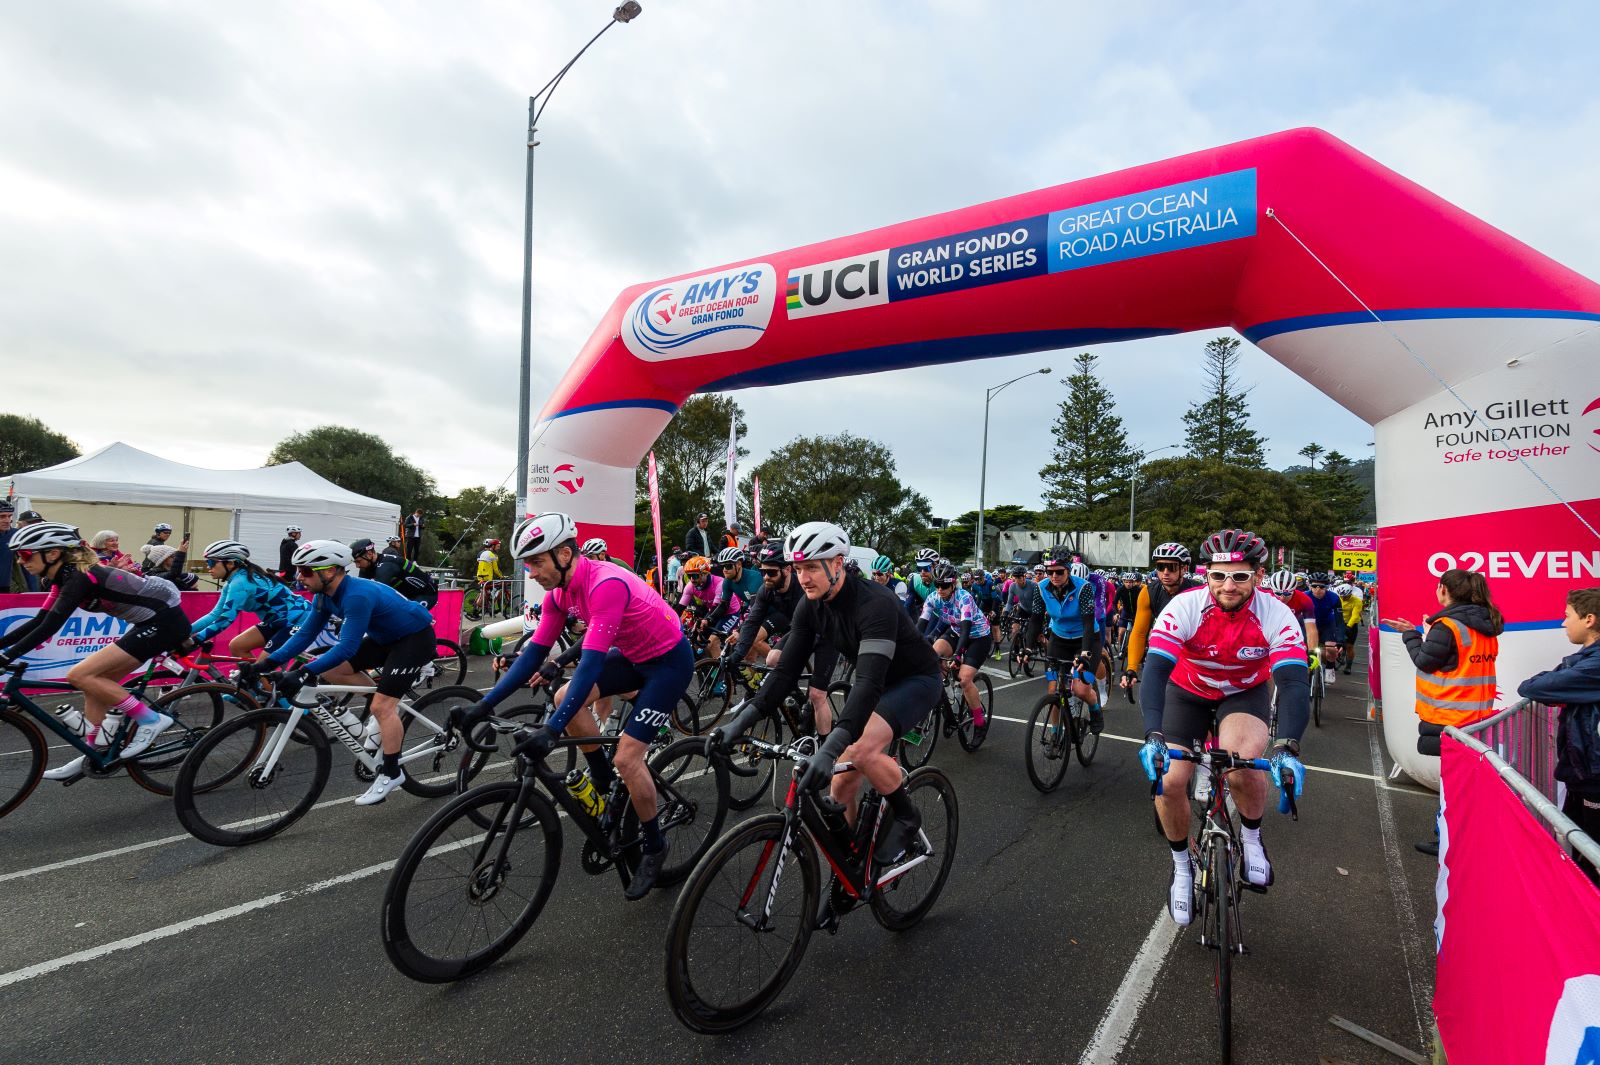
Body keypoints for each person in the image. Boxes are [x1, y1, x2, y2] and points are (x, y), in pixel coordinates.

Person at [463, 512, 691, 900]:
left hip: (669, 664)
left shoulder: (606, 585)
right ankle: (601, 779)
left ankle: (653, 845)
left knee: (629, 760)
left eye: (536, 562)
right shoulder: (558, 595)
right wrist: (481, 706)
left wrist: (552, 731)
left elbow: (590, 663)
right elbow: (531, 656)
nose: (531, 573)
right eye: (527, 564)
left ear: (565, 554)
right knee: (559, 697)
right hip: (635, 657)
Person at [740, 521, 942, 869]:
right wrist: (740, 721)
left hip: (914, 681)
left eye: (812, 567)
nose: (803, 578)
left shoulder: (876, 603)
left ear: (836, 564)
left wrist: (829, 747)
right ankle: (849, 864)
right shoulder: (809, 606)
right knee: (840, 785)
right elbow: (785, 672)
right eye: (798, 568)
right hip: (875, 684)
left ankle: (907, 817)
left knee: (860, 750)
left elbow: (867, 685)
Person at [1137, 529, 1309, 926]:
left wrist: (1287, 746)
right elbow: (1157, 668)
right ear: (1206, 575)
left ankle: (1251, 837)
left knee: (1243, 765)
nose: (1227, 585)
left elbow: (1294, 681)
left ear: (1258, 577)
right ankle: (1182, 867)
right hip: (1188, 691)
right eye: (1218, 576)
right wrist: (1153, 734)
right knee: (1169, 780)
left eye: (1239, 577)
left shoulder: (1276, 614)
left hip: (1243, 694)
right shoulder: (1185, 606)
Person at [249, 540, 437, 806]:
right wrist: (267, 664)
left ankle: (392, 772)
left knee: (383, 707)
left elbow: (347, 647)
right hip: (384, 638)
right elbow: (305, 634)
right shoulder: (324, 596)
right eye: (299, 571)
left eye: (306, 571)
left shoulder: (356, 595)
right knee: (334, 671)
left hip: (414, 639)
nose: (300, 577)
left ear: (330, 572)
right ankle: (380, 707)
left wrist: (303, 672)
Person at [0, 522, 190, 782]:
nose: (21, 562)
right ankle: (94, 751)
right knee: (95, 683)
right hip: (150, 623)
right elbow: (37, 621)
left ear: (53, 554)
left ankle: (150, 720)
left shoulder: (81, 577)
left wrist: (6, 657)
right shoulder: (63, 578)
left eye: (24, 554)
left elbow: (50, 628)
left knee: (80, 674)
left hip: (164, 623)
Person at [1382, 567, 1503, 855]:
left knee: (1452, 787)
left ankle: (1449, 840)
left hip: (1448, 715)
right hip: (1477, 715)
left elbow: (1425, 661)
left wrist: (1411, 636)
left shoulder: (1448, 626)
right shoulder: (1485, 624)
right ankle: (1452, 837)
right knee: (1461, 785)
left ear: (1444, 591)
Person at [1517, 588, 1600, 885]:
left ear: (1588, 619)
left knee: (1589, 860)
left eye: (1567, 616)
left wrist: (1557, 682)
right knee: (1578, 848)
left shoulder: (1594, 664)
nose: (1563, 623)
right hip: (1585, 775)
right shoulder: (1587, 659)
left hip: (1593, 778)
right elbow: (1546, 683)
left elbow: (1533, 687)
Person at [726, 540, 835, 729]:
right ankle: (797, 697)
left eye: (771, 572)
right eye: (762, 572)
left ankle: (824, 743)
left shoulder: (804, 589)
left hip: (824, 631)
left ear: (787, 570)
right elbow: (752, 621)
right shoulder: (766, 590)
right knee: (772, 659)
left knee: (817, 696)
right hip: (796, 626)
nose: (765, 577)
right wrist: (737, 654)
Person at [187, 540, 316, 660]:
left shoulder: (241, 583)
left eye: (211, 563)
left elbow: (226, 619)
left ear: (230, 563)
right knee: (237, 647)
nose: (208, 567)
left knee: (261, 669)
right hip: (277, 621)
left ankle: (265, 682)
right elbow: (215, 614)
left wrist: (196, 639)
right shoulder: (233, 582)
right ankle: (258, 683)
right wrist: (186, 632)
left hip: (298, 619)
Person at [918, 563, 993, 727]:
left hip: (978, 636)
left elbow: (966, 630)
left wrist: (958, 656)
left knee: (965, 680)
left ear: (953, 584)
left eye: (944, 585)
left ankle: (980, 723)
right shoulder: (933, 598)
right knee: (931, 657)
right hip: (956, 632)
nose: (940, 589)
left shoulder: (964, 597)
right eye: (937, 585)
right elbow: (921, 625)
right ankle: (946, 696)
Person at [1036, 557, 1102, 729]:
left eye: (1059, 572)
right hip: (1059, 639)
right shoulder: (1041, 587)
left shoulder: (1083, 587)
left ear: (1068, 570)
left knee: (1080, 690)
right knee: (1053, 691)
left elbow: (1088, 623)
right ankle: (1055, 734)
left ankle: (1095, 707)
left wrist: (1085, 655)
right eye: (1050, 572)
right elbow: (1035, 620)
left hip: (1086, 638)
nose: (1054, 576)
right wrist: (1027, 648)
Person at [678, 555, 742, 660]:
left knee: (712, 643)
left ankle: (723, 674)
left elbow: (718, 608)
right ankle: (711, 666)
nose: (692, 580)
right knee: (699, 641)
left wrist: (707, 620)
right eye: (689, 576)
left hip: (730, 613)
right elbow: (680, 608)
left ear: (705, 574)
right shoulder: (690, 586)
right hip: (714, 612)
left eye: (694, 576)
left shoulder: (719, 583)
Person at [351, 537, 439, 608]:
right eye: (355, 562)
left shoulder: (386, 566)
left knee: (403, 621)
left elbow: (378, 596)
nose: (357, 566)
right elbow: (360, 589)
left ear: (369, 554)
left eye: (358, 561)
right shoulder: (367, 565)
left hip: (426, 594)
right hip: (407, 595)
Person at [1304, 573, 1348, 684]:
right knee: (1305, 649)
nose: (1318, 590)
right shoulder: (1304, 596)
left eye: (1322, 587)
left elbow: (1339, 621)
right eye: (1314, 586)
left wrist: (1340, 640)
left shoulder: (1334, 598)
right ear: (1310, 586)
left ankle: (1330, 668)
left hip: (1328, 624)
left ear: (1327, 587)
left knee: (1331, 649)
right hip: (1310, 624)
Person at [1337, 580, 1365, 674]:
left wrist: (1348, 627)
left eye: (1345, 596)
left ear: (1350, 594)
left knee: (1349, 646)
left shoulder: (1356, 601)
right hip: (1339, 622)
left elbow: (1355, 615)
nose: (1343, 598)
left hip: (1351, 624)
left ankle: (1348, 666)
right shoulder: (1337, 599)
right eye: (1342, 596)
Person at [0, 502, 18, 593]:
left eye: (9, 516)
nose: (7, 520)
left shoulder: (16, 535)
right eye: (2, 516)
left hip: (4, 589)